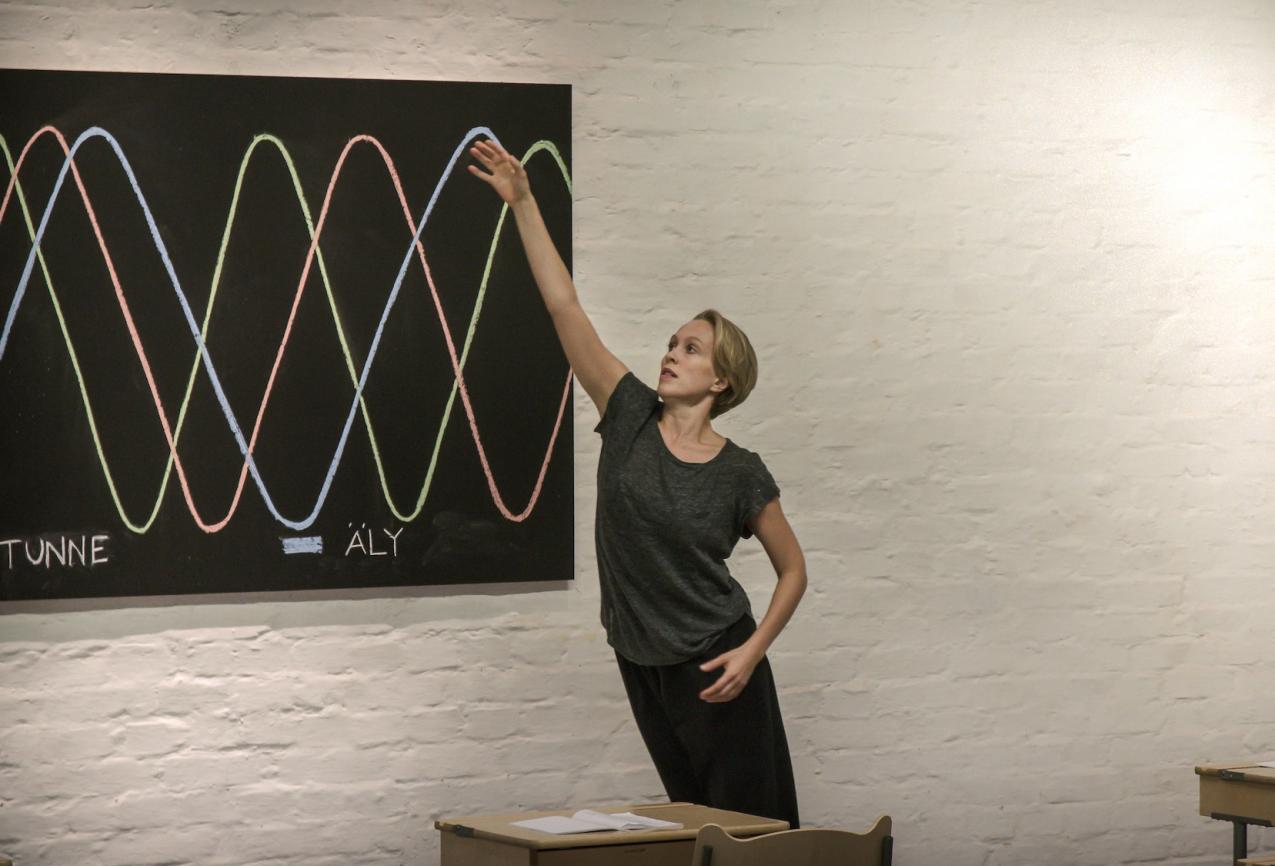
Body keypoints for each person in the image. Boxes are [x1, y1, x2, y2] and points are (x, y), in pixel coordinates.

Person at [468, 138, 806, 828]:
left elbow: (793, 570)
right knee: (690, 828)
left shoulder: (739, 470)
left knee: (752, 831)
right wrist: (525, 205)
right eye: (670, 342)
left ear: (721, 380)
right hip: (641, 660)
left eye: (690, 348)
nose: (670, 354)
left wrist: (751, 649)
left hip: (717, 661)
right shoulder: (628, 416)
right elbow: (565, 310)